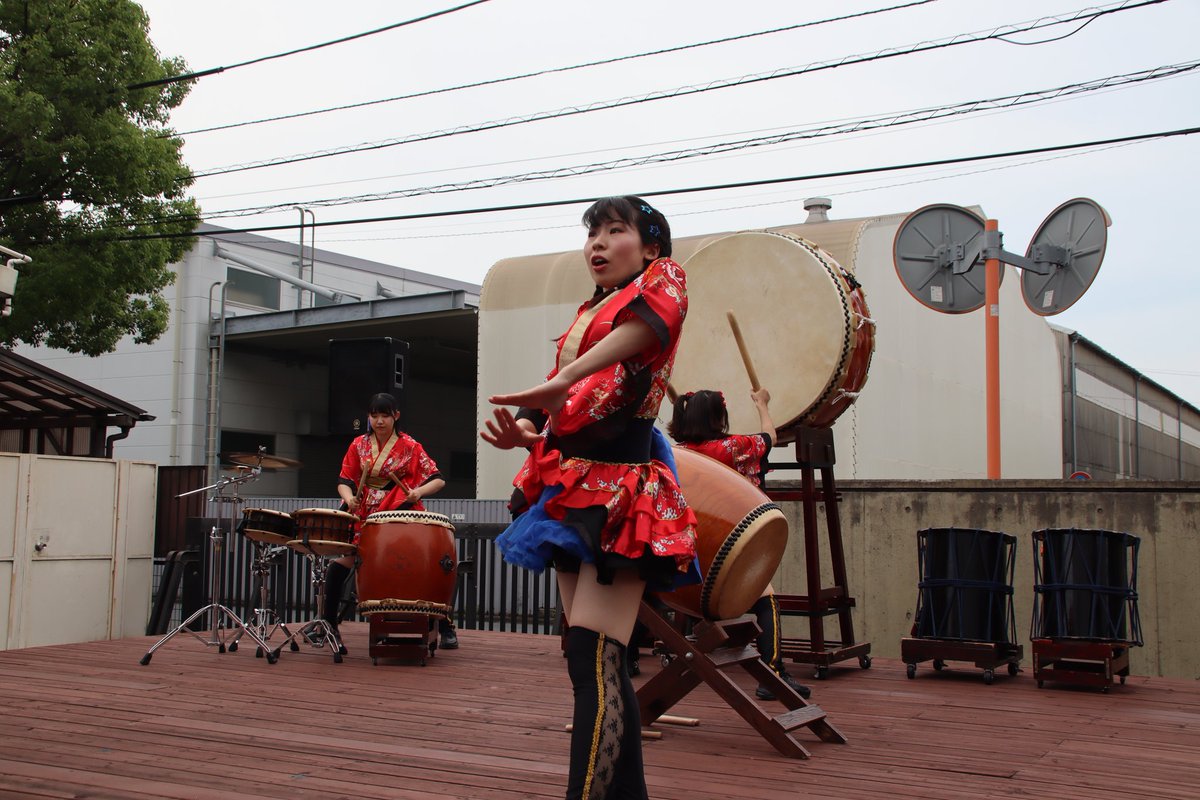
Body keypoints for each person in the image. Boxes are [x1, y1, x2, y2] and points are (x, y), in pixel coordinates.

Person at [481, 196, 698, 800]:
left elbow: (626, 345)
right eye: (592, 233)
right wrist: (525, 432)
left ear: (650, 246)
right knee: (590, 657)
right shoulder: (591, 312)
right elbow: (558, 407)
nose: (596, 244)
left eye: (614, 230)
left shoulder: (666, 282)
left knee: (596, 656)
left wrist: (562, 381)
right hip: (572, 489)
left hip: (622, 492)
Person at [668, 387, 812, 700]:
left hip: (689, 562)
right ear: (719, 418)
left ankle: (638, 658)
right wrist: (762, 404)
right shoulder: (733, 448)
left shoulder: (677, 456)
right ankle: (773, 673)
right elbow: (769, 437)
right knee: (766, 596)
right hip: (728, 553)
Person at [326, 392, 453, 648]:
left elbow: (437, 478)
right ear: (368, 417)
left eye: (385, 415)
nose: (380, 421)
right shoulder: (357, 445)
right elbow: (344, 480)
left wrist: (417, 492)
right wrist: (349, 498)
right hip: (362, 513)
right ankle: (328, 625)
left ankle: (445, 625)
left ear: (396, 416)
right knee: (337, 566)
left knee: (422, 568)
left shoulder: (411, 446)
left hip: (398, 511)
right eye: (374, 415)